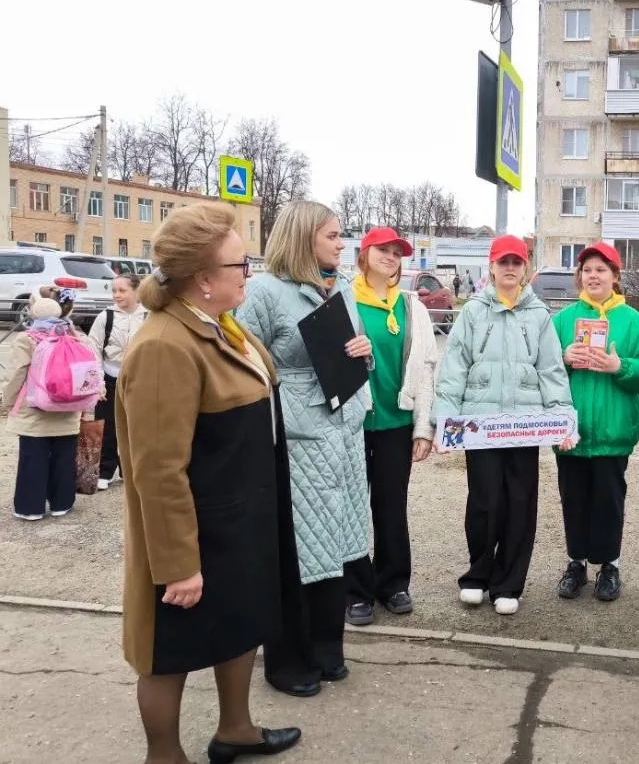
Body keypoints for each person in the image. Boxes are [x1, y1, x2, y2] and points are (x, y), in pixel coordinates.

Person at [117, 202, 301, 764]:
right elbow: (156, 468)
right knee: (167, 651)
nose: (250, 271)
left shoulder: (220, 324)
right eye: (240, 262)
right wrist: (178, 564)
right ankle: (164, 755)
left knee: (242, 623)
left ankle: (236, 731)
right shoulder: (163, 347)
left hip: (237, 522)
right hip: (193, 531)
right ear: (202, 279)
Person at [236, 201, 372, 697]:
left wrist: (365, 352)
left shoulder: (341, 288)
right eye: (332, 235)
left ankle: (327, 649)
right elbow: (239, 357)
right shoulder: (264, 292)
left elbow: (355, 348)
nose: (342, 243)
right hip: (296, 435)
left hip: (342, 429)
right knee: (297, 550)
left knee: (333, 543)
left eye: (341, 236)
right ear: (303, 237)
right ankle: (288, 660)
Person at [434, 234, 574, 616]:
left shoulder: (539, 315)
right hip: (480, 425)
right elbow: (454, 369)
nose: (510, 268)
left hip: (524, 427)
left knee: (519, 503)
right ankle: (477, 577)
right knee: (484, 502)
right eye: (503, 262)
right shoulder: (474, 312)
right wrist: (445, 421)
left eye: (516, 262)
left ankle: (509, 584)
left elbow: (551, 371)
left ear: (525, 268)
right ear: (492, 268)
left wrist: (563, 420)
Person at [550, 242, 639, 602]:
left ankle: (609, 566)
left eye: (601, 269)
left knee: (609, 501)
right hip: (571, 432)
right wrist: (563, 358)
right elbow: (543, 371)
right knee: (573, 498)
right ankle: (576, 563)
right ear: (579, 276)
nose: (593, 276)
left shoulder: (635, 323)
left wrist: (620, 367)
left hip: (613, 431)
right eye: (587, 270)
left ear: (615, 276)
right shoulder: (562, 321)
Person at [343, 228, 438, 627]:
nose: (391, 257)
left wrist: (423, 428)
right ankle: (356, 591)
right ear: (364, 255)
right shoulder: (343, 301)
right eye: (383, 250)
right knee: (350, 508)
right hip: (353, 422)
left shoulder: (412, 306)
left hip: (397, 422)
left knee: (391, 506)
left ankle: (393, 583)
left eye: (397, 253)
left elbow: (427, 369)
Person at [3, 288, 99, 521]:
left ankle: (30, 508)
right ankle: (61, 503)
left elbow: (17, 373)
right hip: (69, 407)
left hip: (35, 408)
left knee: (32, 458)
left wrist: (7, 401)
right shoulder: (75, 336)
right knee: (64, 457)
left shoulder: (27, 338)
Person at [88, 273, 148, 490]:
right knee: (106, 425)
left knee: (136, 425)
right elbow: (93, 349)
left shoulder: (148, 316)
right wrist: (98, 382)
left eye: (122, 290)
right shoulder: (106, 317)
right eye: (114, 291)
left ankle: (129, 469)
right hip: (110, 376)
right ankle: (104, 470)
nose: (117, 295)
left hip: (139, 379)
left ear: (136, 291)